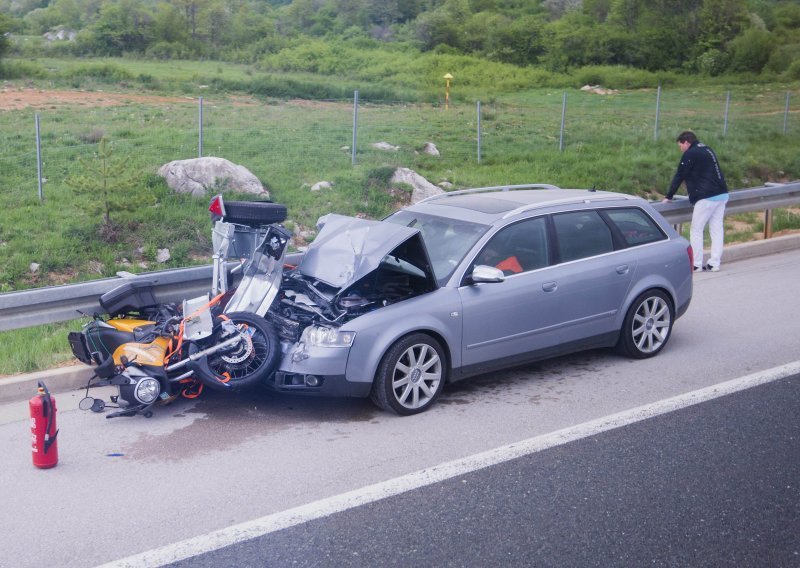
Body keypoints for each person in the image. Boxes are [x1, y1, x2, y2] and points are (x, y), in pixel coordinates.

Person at [662, 131, 729, 272]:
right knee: (716, 230)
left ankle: (696, 264)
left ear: (686, 142)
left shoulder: (690, 153)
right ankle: (714, 263)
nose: (680, 149)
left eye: (680, 145)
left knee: (696, 230)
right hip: (722, 194)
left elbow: (680, 174)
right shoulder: (707, 149)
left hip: (706, 197)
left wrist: (669, 196)